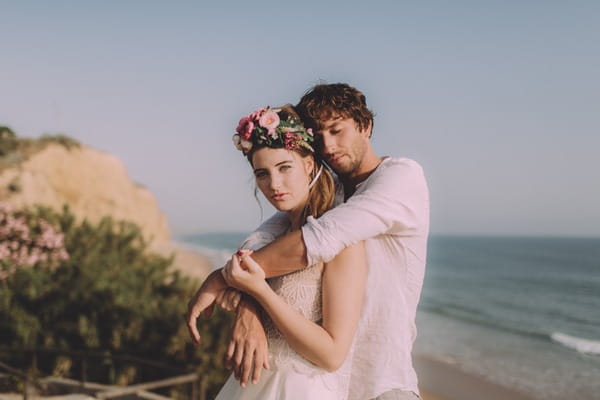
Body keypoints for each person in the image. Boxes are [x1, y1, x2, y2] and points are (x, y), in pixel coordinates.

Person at [188, 84, 430, 400]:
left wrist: (224, 278)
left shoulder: (401, 178)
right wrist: (247, 303)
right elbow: (265, 239)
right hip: (327, 382)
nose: (327, 144)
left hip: (379, 380)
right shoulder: (331, 200)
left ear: (366, 127)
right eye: (318, 134)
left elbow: (317, 240)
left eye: (337, 130)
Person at [208, 105, 367, 399]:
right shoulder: (271, 239)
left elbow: (332, 355)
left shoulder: (341, 242)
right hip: (250, 387)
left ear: (308, 165)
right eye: (262, 174)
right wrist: (248, 302)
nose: (274, 184)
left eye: (284, 168)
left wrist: (261, 293)